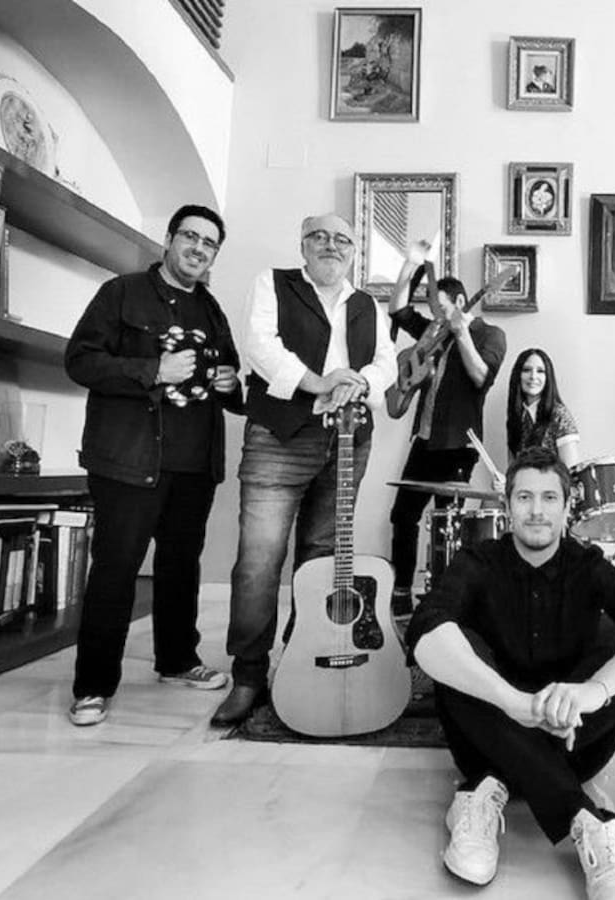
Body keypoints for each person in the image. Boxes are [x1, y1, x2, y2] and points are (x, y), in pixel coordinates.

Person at [405, 447, 615, 898]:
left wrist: (591, 693)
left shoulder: (587, 563)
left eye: (550, 498)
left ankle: (480, 792)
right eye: (525, 497)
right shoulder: (477, 561)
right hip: (487, 737)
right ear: (507, 505)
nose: (537, 510)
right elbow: (424, 634)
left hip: (575, 738)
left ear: (568, 507)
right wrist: (513, 703)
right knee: (453, 644)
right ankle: (589, 819)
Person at [211, 213, 397, 727]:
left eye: (342, 240)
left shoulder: (368, 305)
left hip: (348, 439)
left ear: (354, 251)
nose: (331, 245)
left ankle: (302, 652)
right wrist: (321, 381)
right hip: (280, 436)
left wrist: (358, 382)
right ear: (303, 244)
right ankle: (249, 675)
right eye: (320, 236)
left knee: (321, 557)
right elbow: (261, 348)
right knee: (259, 561)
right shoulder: (273, 283)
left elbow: (387, 363)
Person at [64, 204, 242, 726]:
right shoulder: (121, 293)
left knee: (181, 567)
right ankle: (92, 686)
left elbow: (231, 379)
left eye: (209, 244)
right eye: (191, 236)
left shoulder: (211, 309)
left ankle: (177, 660)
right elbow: (80, 360)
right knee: (116, 569)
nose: (199, 249)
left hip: (195, 464)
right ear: (168, 239)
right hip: (130, 459)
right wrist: (154, 369)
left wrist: (231, 384)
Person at [387, 253, 507, 615]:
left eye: (441, 308)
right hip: (424, 441)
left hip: (458, 445)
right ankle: (401, 592)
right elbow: (397, 310)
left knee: (447, 526)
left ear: (460, 302)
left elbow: (481, 377)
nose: (435, 316)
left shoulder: (490, 334)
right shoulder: (433, 333)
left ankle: (443, 600)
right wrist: (409, 266)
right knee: (402, 516)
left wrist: (461, 333)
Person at [506, 348, 580, 466]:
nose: (533, 376)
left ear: (548, 377)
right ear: (518, 375)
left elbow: (571, 470)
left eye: (540, 371)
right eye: (527, 370)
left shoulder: (559, 415)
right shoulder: (517, 417)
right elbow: (513, 468)